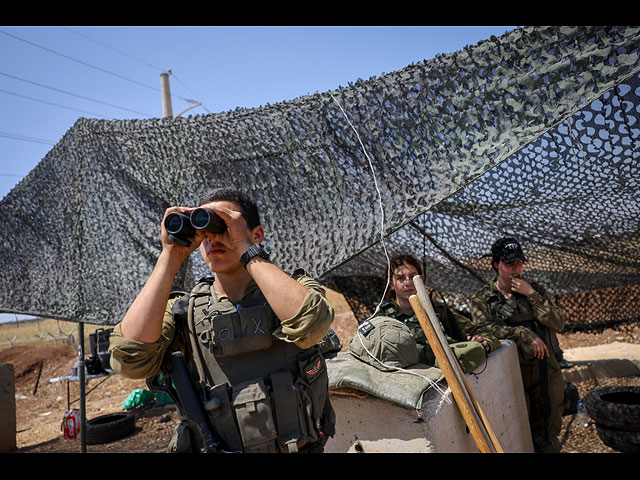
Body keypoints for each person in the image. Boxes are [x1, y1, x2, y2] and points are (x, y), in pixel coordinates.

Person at [108, 188, 336, 453]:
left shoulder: (294, 289)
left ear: (256, 234)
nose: (214, 239)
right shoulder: (183, 311)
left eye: (224, 226)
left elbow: (312, 323)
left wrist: (244, 248)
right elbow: (130, 360)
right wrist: (170, 256)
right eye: (205, 232)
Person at [470, 237, 565, 453]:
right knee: (517, 430)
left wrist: (530, 294)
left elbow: (558, 322)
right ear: (496, 264)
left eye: (520, 263)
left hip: (545, 370)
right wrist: (522, 333)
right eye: (510, 264)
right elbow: (484, 330)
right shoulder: (483, 299)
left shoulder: (534, 289)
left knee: (548, 432)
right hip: (511, 373)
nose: (516, 268)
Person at [372, 254, 501, 372]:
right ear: (391, 284)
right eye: (400, 278)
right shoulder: (383, 318)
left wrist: (485, 342)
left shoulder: (436, 309)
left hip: (449, 378)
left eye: (412, 277)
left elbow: (479, 331)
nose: (408, 283)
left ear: (420, 279)